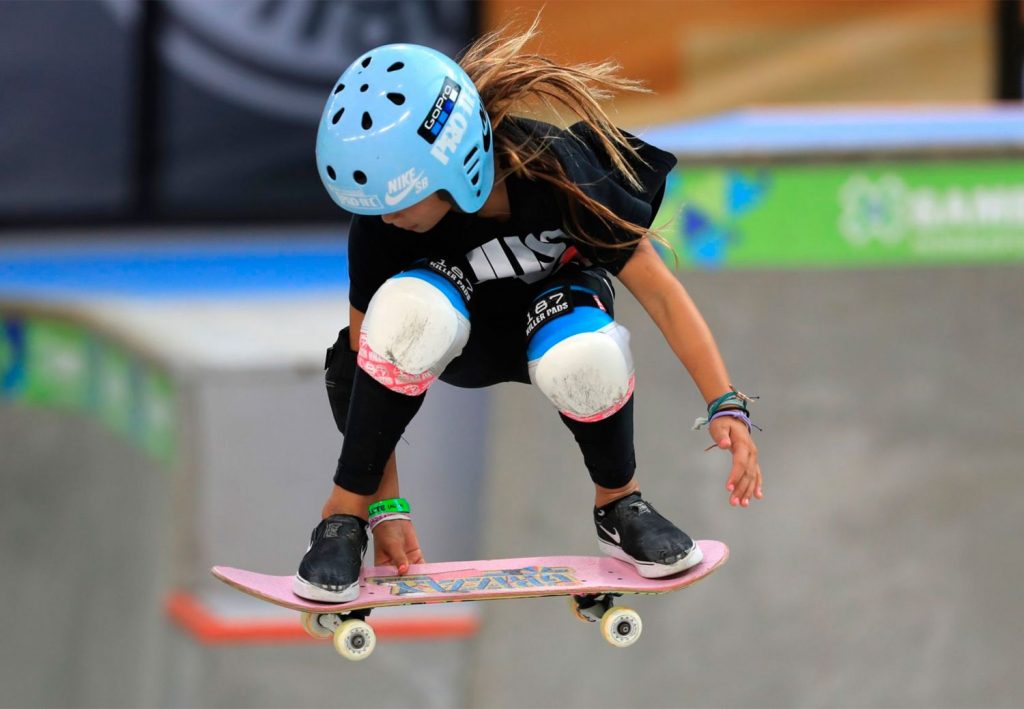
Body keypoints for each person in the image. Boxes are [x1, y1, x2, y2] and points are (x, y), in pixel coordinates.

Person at [294, 22, 763, 602]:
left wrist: (727, 404)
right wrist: (384, 506)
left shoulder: (560, 171)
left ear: (450, 168)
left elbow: (661, 292)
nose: (385, 218)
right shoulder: (381, 226)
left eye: (395, 202)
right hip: (456, 333)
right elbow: (364, 365)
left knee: (586, 354)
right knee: (406, 312)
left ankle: (619, 505)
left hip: (556, 312)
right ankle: (343, 517)